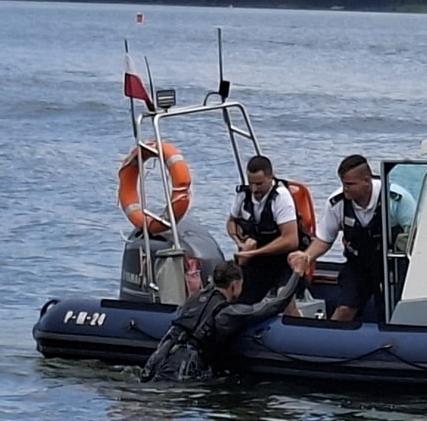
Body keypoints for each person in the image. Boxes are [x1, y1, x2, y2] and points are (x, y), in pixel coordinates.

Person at [142, 253, 310, 381]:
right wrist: (297, 273)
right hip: (184, 368)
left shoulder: (194, 300)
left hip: (158, 358)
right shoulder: (228, 314)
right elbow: (276, 304)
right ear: (235, 285)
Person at [302, 154, 413, 323]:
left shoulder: (396, 199)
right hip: (358, 265)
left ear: (367, 182)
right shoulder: (337, 202)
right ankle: (331, 343)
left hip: (391, 266)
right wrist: (306, 257)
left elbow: (416, 235)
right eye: (343, 184)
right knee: (345, 309)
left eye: (349, 184)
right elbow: (324, 239)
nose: (345, 189)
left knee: (389, 311)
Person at [225, 154, 301, 308]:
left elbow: (291, 240)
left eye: (259, 184)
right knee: (237, 296)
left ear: (270, 177)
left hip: (284, 261)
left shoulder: (281, 197)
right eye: (251, 183)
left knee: (283, 296)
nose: (254, 189)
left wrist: (253, 253)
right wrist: (239, 242)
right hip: (255, 261)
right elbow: (231, 221)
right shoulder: (243, 195)